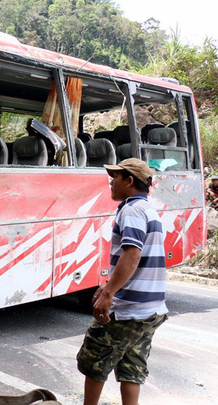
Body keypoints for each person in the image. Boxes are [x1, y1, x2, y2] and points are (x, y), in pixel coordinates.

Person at [77, 158, 168, 405]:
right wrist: (108, 285)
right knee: (132, 367)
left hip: (128, 310)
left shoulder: (131, 210)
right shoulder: (149, 210)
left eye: (115, 177)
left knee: (94, 360)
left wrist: (109, 294)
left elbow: (132, 254)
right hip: (151, 310)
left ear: (129, 181)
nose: (111, 182)